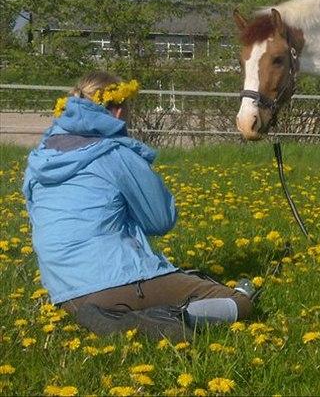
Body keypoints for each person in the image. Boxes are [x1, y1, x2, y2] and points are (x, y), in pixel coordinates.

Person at [22, 71, 254, 341]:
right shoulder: (116, 154)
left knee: (179, 279)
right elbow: (161, 220)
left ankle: (116, 316)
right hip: (113, 281)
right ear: (119, 111)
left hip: (64, 293)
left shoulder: (40, 158)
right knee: (239, 301)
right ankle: (165, 317)